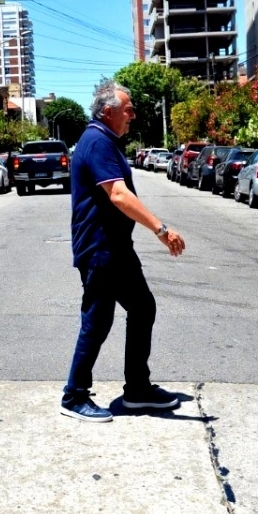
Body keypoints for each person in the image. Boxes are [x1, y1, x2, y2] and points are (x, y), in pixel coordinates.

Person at [61, 80, 187, 422]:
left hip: (117, 247)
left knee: (142, 308)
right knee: (98, 320)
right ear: (108, 112)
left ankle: (137, 389)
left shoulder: (107, 141)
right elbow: (117, 194)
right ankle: (74, 395)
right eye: (128, 109)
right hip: (100, 248)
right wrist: (160, 229)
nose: (133, 114)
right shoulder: (97, 141)